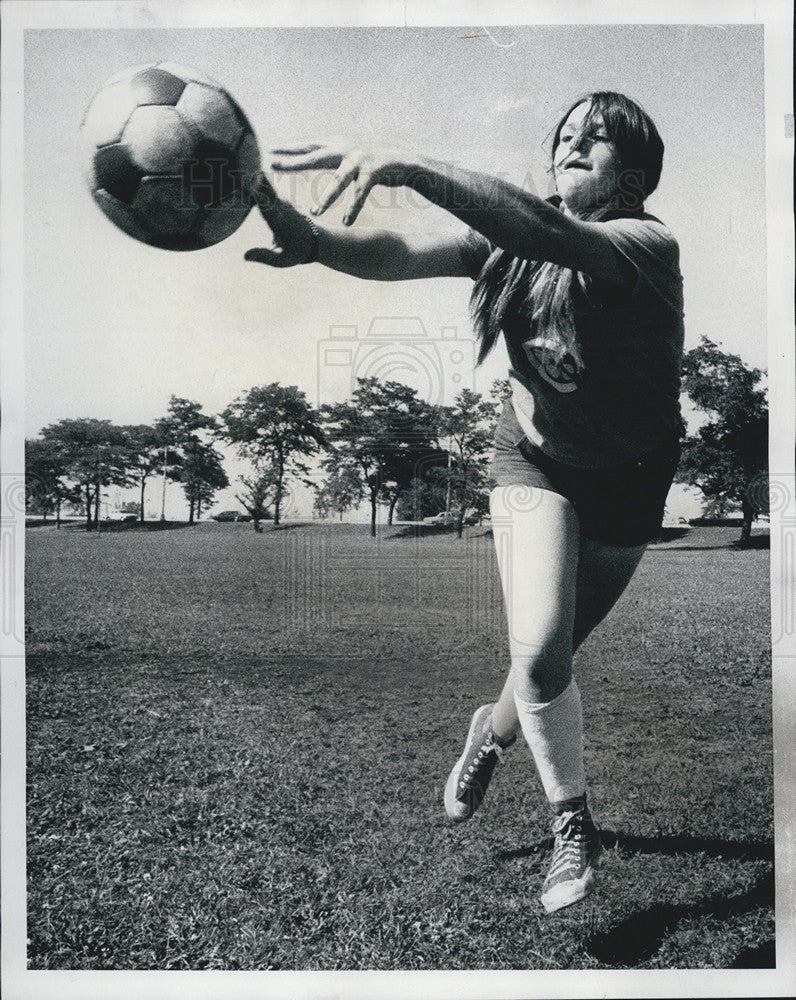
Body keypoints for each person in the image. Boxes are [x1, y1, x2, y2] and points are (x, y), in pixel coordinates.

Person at [244, 91, 685, 914]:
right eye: (564, 135)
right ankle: (571, 826)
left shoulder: (645, 243)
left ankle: (491, 732)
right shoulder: (505, 243)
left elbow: (548, 232)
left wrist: (412, 165)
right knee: (544, 645)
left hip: (633, 472)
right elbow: (400, 249)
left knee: (539, 664)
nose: (572, 145)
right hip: (535, 460)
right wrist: (314, 241)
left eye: (597, 139)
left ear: (635, 171)